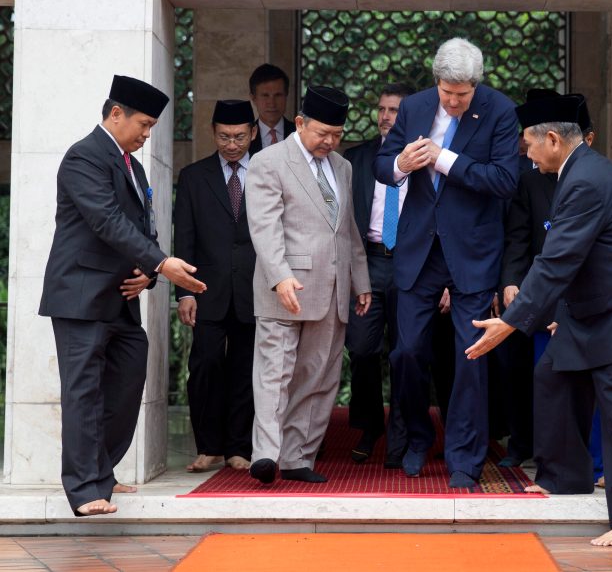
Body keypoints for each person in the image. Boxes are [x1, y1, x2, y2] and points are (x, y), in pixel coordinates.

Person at [466, 94, 612, 546]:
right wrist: (556, 313)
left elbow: (557, 261)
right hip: (593, 310)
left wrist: (511, 322)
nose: (523, 154)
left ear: (551, 140)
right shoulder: (579, 172)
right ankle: (566, 477)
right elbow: (577, 260)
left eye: (526, 144)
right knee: (554, 374)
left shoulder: (585, 180)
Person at [39, 75, 207, 516]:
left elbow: (142, 229)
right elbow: (107, 221)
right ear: (116, 114)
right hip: (80, 295)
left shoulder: (132, 165)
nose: (148, 134)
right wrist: (162, 264)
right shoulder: (84, 157)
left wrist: (147, 276)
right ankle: (83, 489)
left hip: (121, 298)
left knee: (129, 379)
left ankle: (102, 472)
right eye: (145, 124)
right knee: (83, 392)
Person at [373, 37, 519, 489]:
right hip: (418, 250)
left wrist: (446, 159)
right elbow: (381, 165)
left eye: (463, 94)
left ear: (477, 85)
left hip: (473, 252)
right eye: (447, 92)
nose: (454, 102)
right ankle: (418, 438)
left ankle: (464, 459)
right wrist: (400, 162)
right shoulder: (415, 107)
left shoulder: (499, 110)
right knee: (406, 351)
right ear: (435, 81)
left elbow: (504, 179)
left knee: (469, 356)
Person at [246, 85, 372, 484]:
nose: (330, 142)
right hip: (285, 285)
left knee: (318, 377)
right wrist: (280, 275)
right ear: (299, 123)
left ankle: (297, 456)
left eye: (337, 134)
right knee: (275, 373)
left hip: (333, 287)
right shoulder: (268, 162)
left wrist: (361, 281)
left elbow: (346, 229)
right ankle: (265, 455)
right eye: (322, 133)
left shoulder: (343, 167)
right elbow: (264, 227)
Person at [174, 99, 258, 473]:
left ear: (253, 134)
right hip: (206, 289)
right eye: (224, 136)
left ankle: (239, 447)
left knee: (245, 368)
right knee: (205, 365)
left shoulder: (267, 173)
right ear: (213, 133)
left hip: (255, 288)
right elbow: (185, 239)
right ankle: (208, 446)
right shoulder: (194, 176)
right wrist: (185, 291)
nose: (232, 144)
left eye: (239, 136)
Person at [343, 83, 414, 467]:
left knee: (406, 352)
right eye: (382, 109)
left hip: (409, 264)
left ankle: (401, 437)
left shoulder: (421, 159)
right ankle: (371, 427)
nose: (386, 116)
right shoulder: (356, 159)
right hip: (367, 262)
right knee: (363, 348)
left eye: (395, 110)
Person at [248, 64, 296, 155]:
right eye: (265, 95)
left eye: (278, 95)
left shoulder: (300, 135)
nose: (272, 103)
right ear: (254, 98)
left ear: (286, 95)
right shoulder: (245, 138)